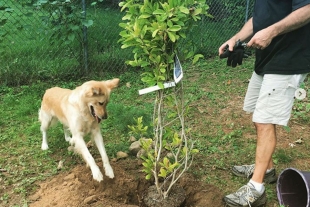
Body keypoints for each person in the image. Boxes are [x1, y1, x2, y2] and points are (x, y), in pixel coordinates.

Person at [218, 1, 310, 206]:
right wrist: (236, 39)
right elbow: (261, 16)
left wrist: (271, 31)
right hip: (267, 57)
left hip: (289, 57)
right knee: (257, 114)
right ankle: (267, 170)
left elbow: (307, 9)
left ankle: (256, 189)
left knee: (264, 120)